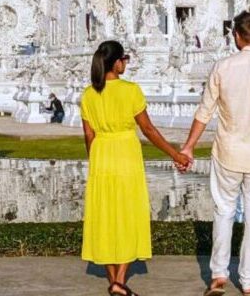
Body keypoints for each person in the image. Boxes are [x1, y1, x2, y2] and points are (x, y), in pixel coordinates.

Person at [180, 11, 250, 296]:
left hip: (228, 154)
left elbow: (204, 112)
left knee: (223, 213)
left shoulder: (223, 67)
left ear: (237, 36)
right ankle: (248, 281)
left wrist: (189, 146)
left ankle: (218, 275)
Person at [81, 40, 191, 296]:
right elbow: (148, 129)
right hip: (126, 154)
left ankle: (115, 282)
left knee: (105, 216)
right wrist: (175, 153)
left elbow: (89, 135)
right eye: (125, 59)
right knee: (129, 213)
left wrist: (95, 159)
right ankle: (119, 280)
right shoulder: (131, 91)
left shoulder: (88, 94)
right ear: (117, 62)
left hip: (102, 155)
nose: (126, 64)